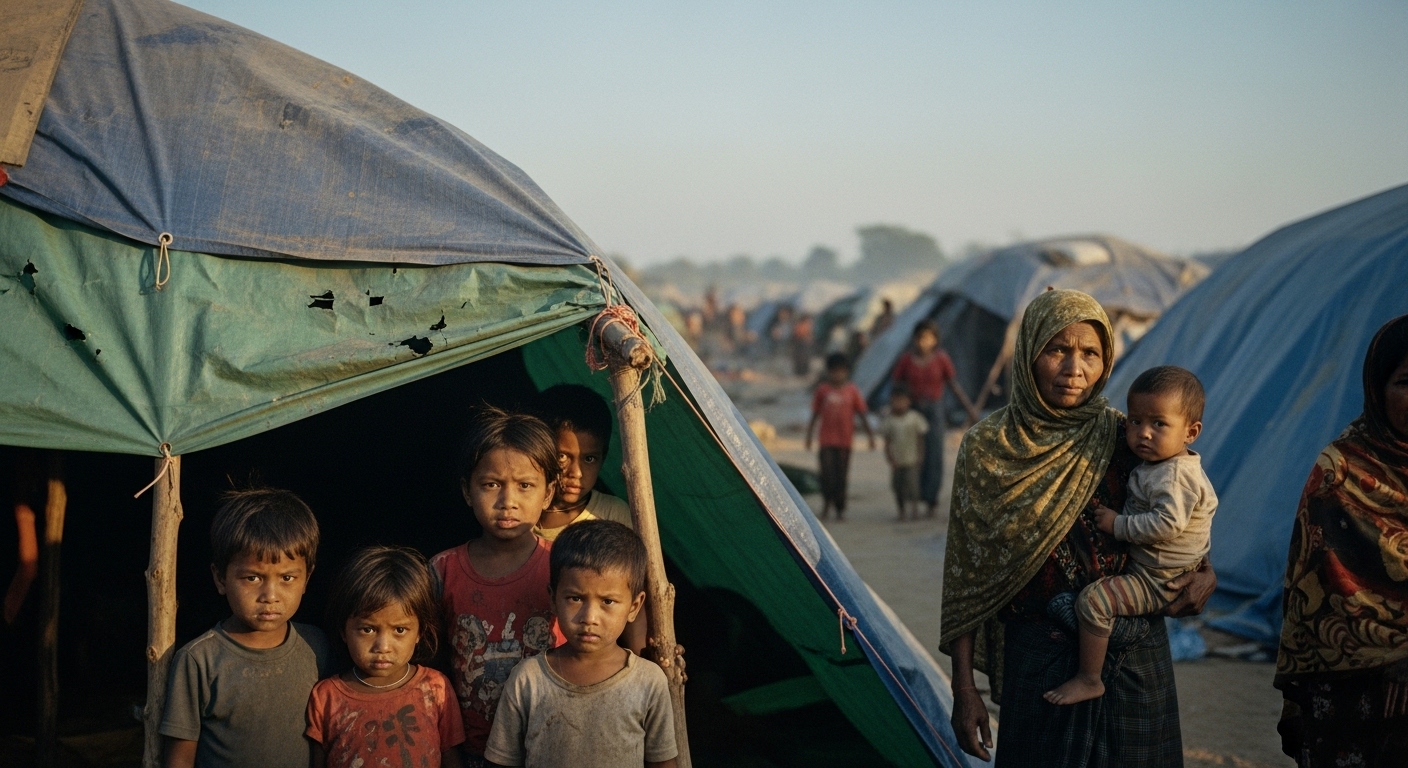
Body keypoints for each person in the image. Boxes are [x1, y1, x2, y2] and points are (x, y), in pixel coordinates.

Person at [940, 289, 1216, 766]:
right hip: (1040, 660)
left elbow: (1182, 508)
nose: (1075, 369)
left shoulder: (1125, 434)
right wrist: (964, 689)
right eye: (1057, 349)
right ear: (1028, 353)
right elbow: (967, 576)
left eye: (1090, 353)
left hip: (1134, 656)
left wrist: (1207, 572)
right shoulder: (988, 448)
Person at [1275, 314, 1408, 766]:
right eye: (1406, 382)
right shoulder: (1341, 473)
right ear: (1377, 389)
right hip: (1358, 690)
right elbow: (1327, 588)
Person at [1045, 366, 1217, 705]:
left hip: (1158, 579)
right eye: (1135, 421)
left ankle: (1089, 678)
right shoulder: (1162, 466)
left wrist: (1118, 524)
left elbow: (1167, 525)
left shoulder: (1173, 476)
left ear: (1191, 432)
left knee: (1093, 603)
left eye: (1158, 424)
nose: (1143, 433)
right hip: (1156, 571)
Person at [430, 407, 565, 765]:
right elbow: (428, 662)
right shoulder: (442, 571)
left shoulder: (565, 567)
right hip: (472, 749)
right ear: (467, 490)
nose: (508, 501)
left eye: (525, 486)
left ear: (548, 493)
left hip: (552, 743)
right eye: (491, 485)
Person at [484, 520, 677, 768]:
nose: (589, 618)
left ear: (634, 606)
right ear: (553, 598)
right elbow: (502, 761)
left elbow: (663, 762)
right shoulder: (528, 679)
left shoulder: (648, 681)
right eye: (575, 598)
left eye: (607, 601)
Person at [160, 489, 331, 768]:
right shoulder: (198, 661)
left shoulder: (317, 647)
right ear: (220, 578)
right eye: (252, 577)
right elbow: (179, 759)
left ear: (307, 578)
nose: (270, 595)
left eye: (287, 577)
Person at [308, 546, 465, 767]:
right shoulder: (327, 697)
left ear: (420, 631)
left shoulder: (435, 688)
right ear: (344, 630)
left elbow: (451, 758)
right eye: (367, 630)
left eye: (399, 630)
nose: (383, 646)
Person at [891, 320, 979, 516]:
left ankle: (931, 500)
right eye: (920, 338)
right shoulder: (906, 360)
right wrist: (893, 409)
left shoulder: (941, 359)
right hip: (912, 411)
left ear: (935, 340)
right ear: (914, 339)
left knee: (934, 455)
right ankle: (912, 499)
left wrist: (970, 410)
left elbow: (953, 385)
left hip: (935, 410)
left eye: (928, 338)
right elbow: (896, 386)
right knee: (912, 455)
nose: (924, 342)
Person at [531, 385, 633, 543]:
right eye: (562, 456)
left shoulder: (612, 515)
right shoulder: (522, 511)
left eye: (589, 459)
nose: (577, 473)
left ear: (603, 458)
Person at [805, 352, 875, 521]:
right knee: (827, 474)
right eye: (834, 371)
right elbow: (815, 414)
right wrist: (809, 435)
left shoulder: (852, 391)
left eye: (841, 371)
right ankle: (826, 505)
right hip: (826, 441)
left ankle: (840, 509)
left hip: (845, 441)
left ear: (847, 372)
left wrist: (870, 436)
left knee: (841, 476)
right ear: (828, 372)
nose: (837, 375)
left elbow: (862, 414)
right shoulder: (823, 390)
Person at [879, 386, 928, 521]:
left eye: (902, 400)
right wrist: (890, 458)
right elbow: (887, 443)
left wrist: (920, 456)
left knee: (913, 487)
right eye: (896, 400)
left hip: (911, 459)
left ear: (908, 401)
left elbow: (920, 440)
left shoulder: (915, 418)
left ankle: (915, 510)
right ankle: (902, 511)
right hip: (897, 461)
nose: (899, 404)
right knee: (898, 487)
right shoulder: (889, 421)